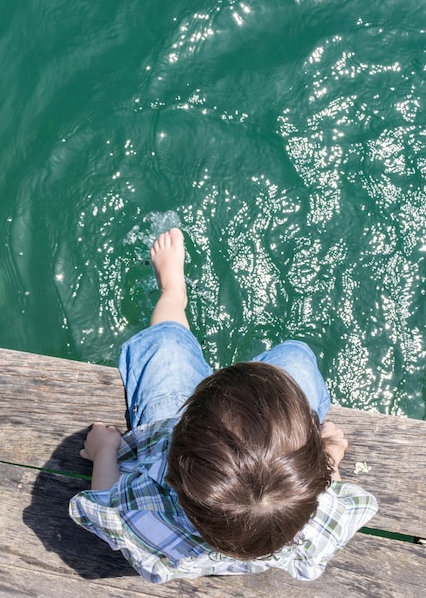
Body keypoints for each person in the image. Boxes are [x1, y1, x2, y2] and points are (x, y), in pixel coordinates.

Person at [69, 227, 378, 583]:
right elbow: (335, 497)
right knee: (296, 356)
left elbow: (108, 501)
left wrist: (105, 452)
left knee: (167, 342)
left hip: (161, 422)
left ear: (177, 448)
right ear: (312, 479)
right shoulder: (320, 524)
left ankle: (172, 290)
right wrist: (329, 456)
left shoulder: (144, 514)